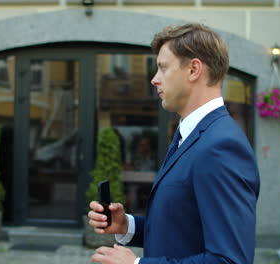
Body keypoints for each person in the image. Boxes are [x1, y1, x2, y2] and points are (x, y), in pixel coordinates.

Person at [88, 23, 260, 264]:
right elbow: (182, 228)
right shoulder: (191, 135)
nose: (154, 80)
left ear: (193, 69)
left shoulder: (220, 146)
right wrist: (127, 225)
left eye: (162, 68)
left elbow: (229, 261)